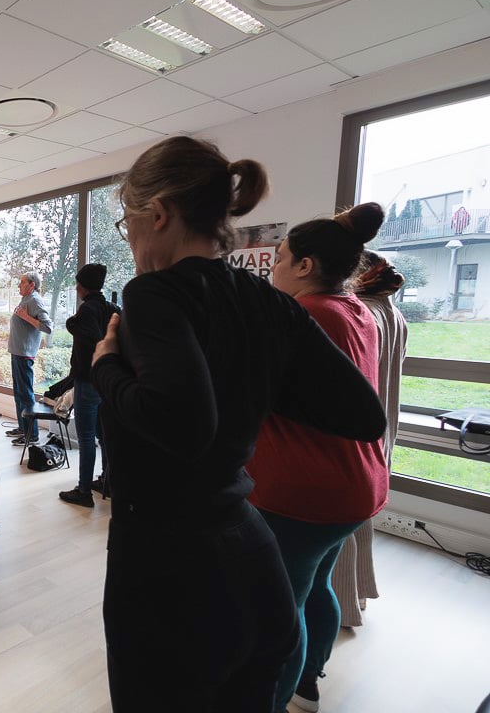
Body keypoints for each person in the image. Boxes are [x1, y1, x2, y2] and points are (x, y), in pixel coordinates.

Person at [90, 136, 386, 711]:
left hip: (166, 558)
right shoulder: (267, 301)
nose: (130, 242)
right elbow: (362, 414)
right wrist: (250, 380)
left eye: (128, 225)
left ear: (159, 214)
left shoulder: (153, 293)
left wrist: (105, 370)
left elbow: (181, 426)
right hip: (249, 550)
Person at [248, 203, 391, 713]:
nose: (274, 269)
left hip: (305, 493)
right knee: (314, 589)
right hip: (356, 485)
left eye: (280, 259)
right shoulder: (355, 311)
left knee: (279, 610)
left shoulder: (305, 316)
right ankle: (308, 684)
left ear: (305, 266)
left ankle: (275, 698)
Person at [331, 251, 408, 629]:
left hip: (356, 430)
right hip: (381, 429)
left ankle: (343, 603)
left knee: (338, 519)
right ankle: (358, 591)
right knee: (360, 517)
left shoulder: (362, 315)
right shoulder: (393, 314)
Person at [58, 263, 118, 508]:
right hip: (109, 382)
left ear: (82, 286)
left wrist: (73, 324)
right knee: (104, 435)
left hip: (88, 381)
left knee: (85, 438)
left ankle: (83, 490)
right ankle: (107, 481)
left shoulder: (86, 311)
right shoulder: (113, 308)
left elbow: (93, 341)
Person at [7, 271, 52, 446]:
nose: (19, 285)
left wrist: (26, 317)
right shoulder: (26, 298)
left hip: (24, 355)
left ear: (32, 284)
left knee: (25, 394)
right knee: (19, 393)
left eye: (22, 282)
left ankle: (32, 435)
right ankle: (22, 428)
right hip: (17, 352)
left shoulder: (34, 300)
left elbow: (48, 327)